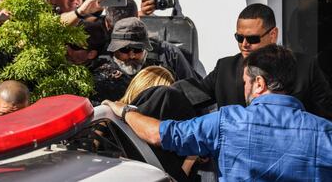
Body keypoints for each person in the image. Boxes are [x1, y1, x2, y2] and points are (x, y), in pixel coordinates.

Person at [102, 44, 332, 181]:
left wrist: (125, 111)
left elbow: (159, 134)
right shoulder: (324, 131)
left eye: (246, 82)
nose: (244, 88)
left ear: (259, 83)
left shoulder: (228, 122)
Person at [171, 3, 332, 119]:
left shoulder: (305, 66)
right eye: (239, 37)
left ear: (273, 34)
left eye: (252, 38)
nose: (244, 44)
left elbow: (327, 113)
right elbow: (192, 96)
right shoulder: (225, 68)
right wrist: (156, 93)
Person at [90, 17, 200, 105]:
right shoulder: (99, 64)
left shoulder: (167, 55)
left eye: (138, 49)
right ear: (114, 50)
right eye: (125, 49)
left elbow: (195, 95)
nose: (132, 55)